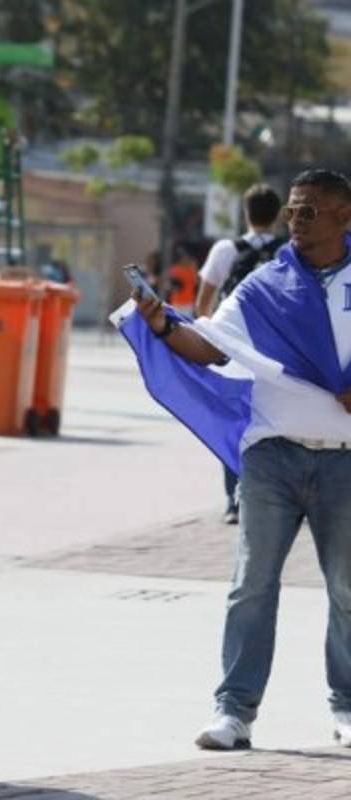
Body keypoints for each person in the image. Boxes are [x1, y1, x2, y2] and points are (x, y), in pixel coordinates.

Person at [129, 168, 351, 751]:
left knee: (348, 589)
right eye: (292, 211)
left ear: (344, 217)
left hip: (345, 463)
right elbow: (208, 346)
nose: (296, 222)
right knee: (251, 585)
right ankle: (234, 712)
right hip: (272, 458)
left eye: (310, 211)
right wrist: (161, 323)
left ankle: (347, 707)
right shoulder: (264, 287)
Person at [195, 184, 286, 525]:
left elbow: (205, 300)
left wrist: (205, 338)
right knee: (272, 421)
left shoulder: (226, 249)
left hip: (233, 349)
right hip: (275, 351)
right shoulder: (288, 251)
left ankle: (233, 500)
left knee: (235, 422)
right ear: (278, 215)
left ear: (245, 213)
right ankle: (274, 498)